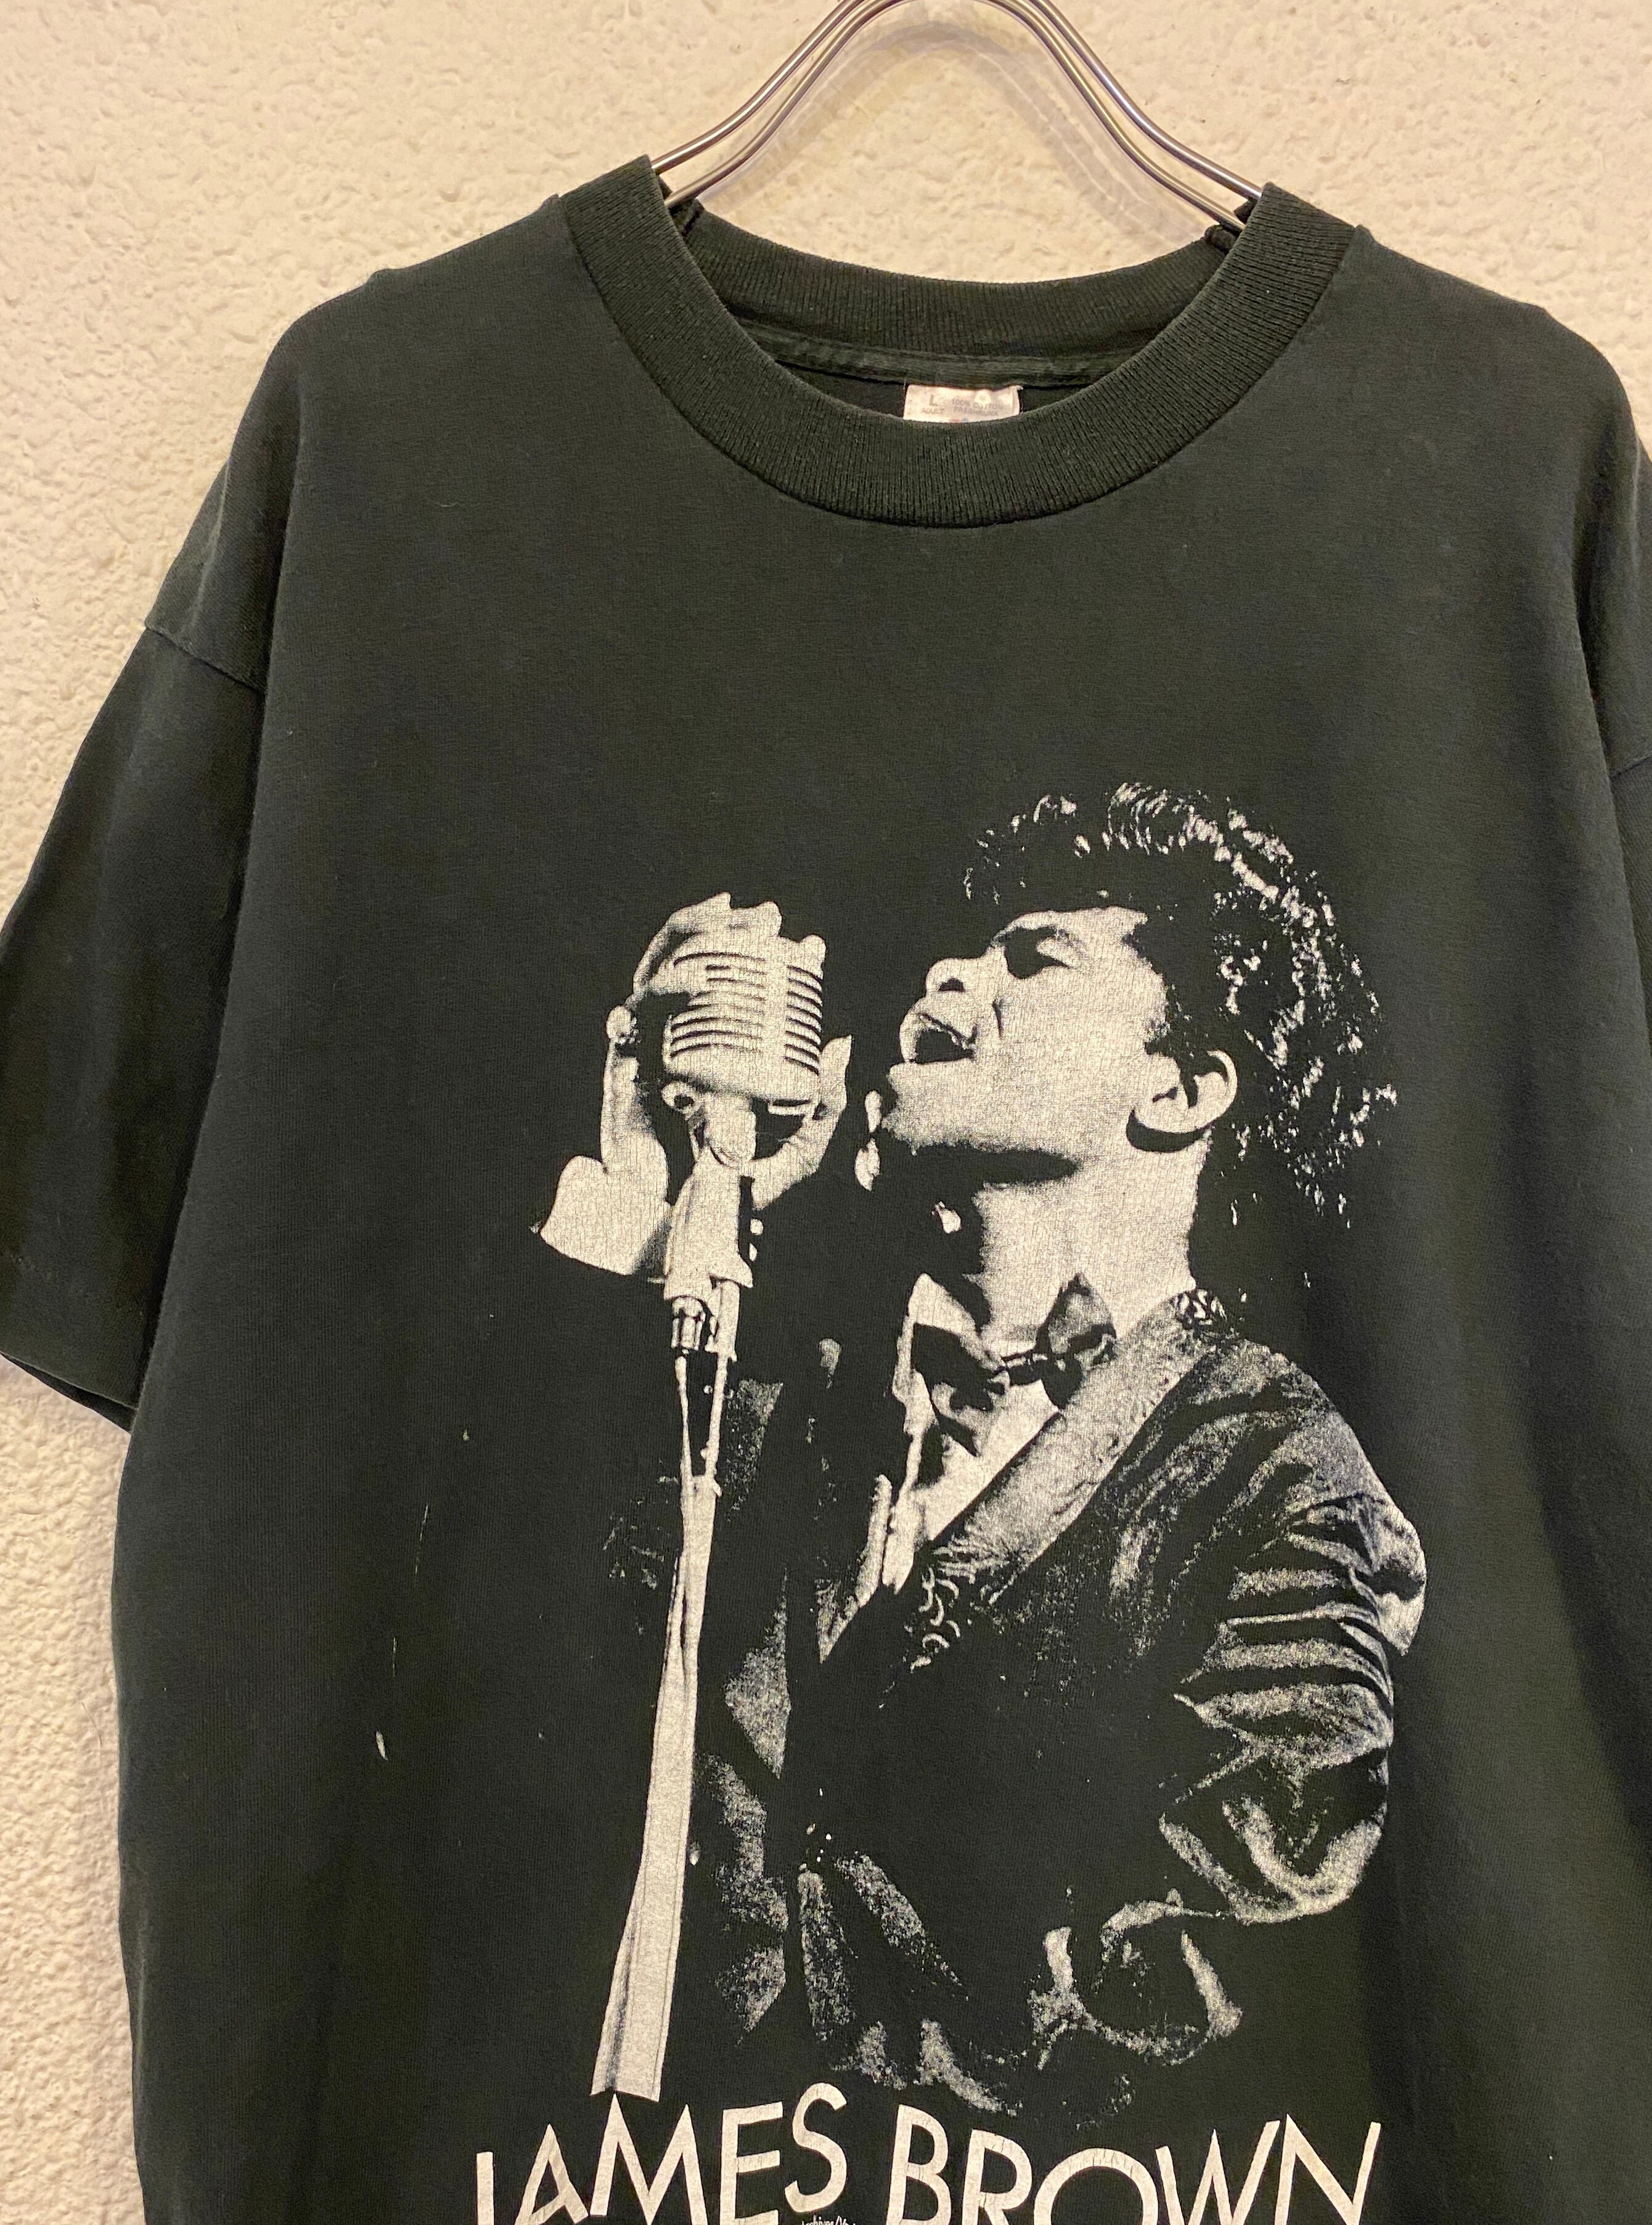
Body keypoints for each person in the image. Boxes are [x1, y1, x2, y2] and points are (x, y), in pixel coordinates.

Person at [539, 783, 1428, 2131]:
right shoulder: (779, 1392)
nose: (950, 975)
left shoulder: (1280, 1473)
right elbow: (499, 1686)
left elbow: (1251, 1929)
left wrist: (854, 2094)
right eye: (968, 950)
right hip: (633, 2224)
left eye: (1035, 959)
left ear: (1180, 1088)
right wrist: (651, 1218)